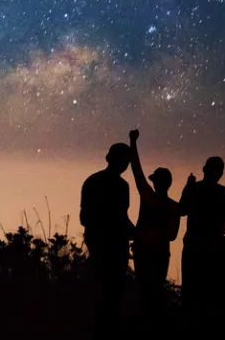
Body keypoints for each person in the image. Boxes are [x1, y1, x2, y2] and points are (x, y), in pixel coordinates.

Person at [127, 129, 181, 327]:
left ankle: (145, 326)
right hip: (159, 253)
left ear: (156, 182)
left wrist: (133, 142)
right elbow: (173, 235)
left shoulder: (148, 197)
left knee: (143, 291)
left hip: (146, 252)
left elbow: (136, 170)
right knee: (155, 291)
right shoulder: (174, 207)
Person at [80, 141, 135, 336]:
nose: (125, 164)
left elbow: (85, 217)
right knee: (109, 292)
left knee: (108, 292)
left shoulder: (94, 181)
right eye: (125, 160)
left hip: (105, 242)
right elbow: (119, 217)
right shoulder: (118, 185)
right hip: (108, 244)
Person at [178, 156, 225, 318]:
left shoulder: (205, 190)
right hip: (200, 245)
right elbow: (182, 210)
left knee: (200, 289)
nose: (217, 174)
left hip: (203, 246)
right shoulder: (220, 192)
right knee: (199, 290)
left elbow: (181, 210)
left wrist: (217, 235)